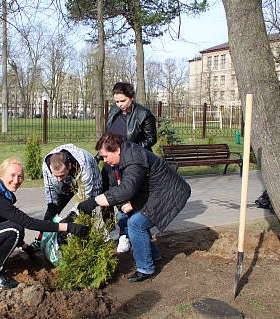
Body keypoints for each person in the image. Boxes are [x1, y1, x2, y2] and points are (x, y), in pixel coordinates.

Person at [0, 156, 89, 290]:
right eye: (12, 175)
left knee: (12, 227)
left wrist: (26, 247)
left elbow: (3, 222)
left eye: (20, 177)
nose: (16, 180)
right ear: (1, 174)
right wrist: (67, 227)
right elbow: (26, 221)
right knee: (16, 229)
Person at [78, 133, 191, 283]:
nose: (104, 160)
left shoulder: (133, 158)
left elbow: (127, 189)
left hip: (170, 192)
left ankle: (145, 269)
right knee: (126, 222)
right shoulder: (119, 160)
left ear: (117, 149)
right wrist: (123, 205)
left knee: (136, 224)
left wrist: (94, 202)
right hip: (153, 192)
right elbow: (115, 187)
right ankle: (153, 255)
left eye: (105, 156)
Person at [100, 82, 158, 248]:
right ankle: (111, 230)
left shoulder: (144, 115)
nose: (119, 105)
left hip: (131, 162)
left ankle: (129, 234)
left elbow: (150, 140)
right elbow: (108, 135)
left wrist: (129, 151)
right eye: (116, 101)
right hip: (111, 160)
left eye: (122, 101)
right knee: (106, 194)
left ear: (131, 98)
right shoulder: (114, 112)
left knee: (126, 196)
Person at [29, 144, 103, 250]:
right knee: (51, 212)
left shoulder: (83, 164)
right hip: (67, 184)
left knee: (85, 210)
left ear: (69, 166)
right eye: (56, 175)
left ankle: (85, 243)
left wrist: (69, 218)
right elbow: (50, 190)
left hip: (89, 181)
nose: (59, 179)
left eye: (61, 175)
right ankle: (41, 240)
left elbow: (85, 197)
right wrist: (52, 206)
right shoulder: (47, 166)